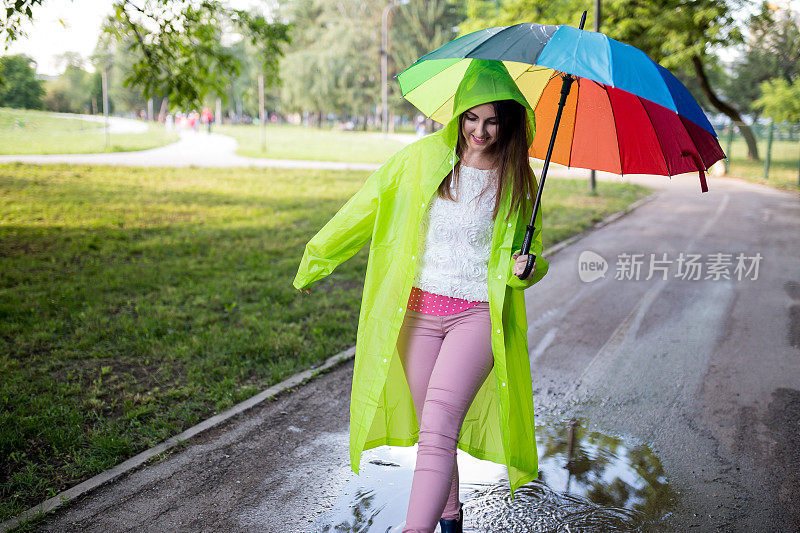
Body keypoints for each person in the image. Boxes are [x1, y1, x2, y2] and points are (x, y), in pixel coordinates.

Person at [293, 60, 549, 533]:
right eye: (472, 117)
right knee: (435, 437)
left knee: (437, 428)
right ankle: (450, 520)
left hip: (474, 316)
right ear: (458, 115)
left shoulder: (519, 182)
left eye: (493, 120)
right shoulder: (422, 160)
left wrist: (527, 268)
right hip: (417, 314)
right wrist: (318, 258)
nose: (480, 130)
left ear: (509, 122)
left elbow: (529, 258)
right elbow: (366, 204)